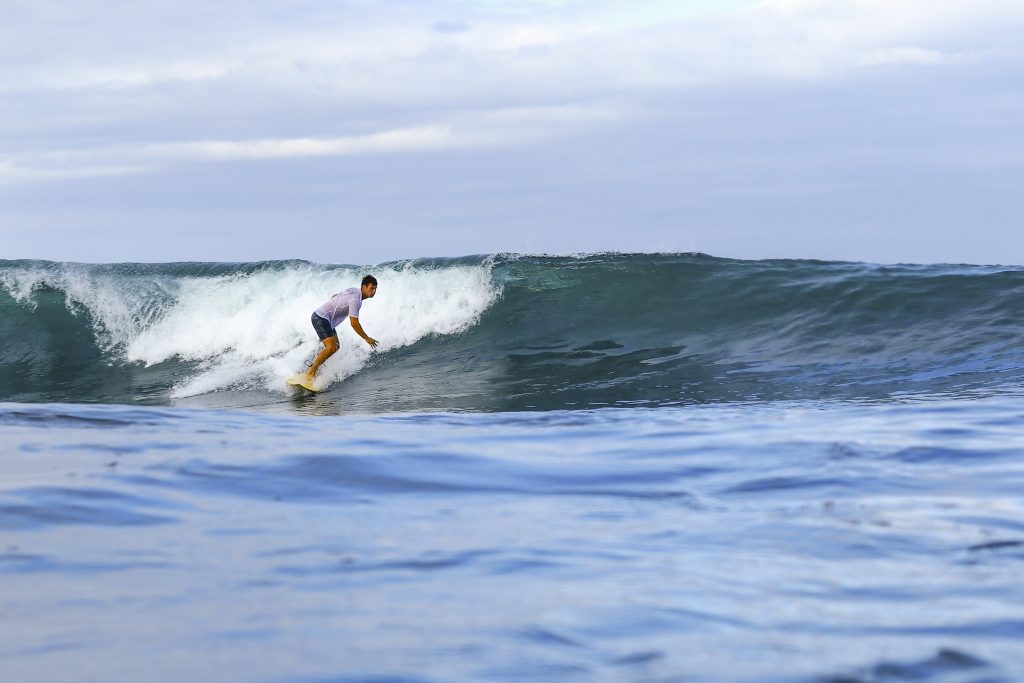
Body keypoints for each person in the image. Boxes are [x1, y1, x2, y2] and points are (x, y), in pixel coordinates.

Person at [303, 275, 378, 382]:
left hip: (327, 319)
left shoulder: (354, 290)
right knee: (331, 347)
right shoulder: (356, 300)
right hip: (320, 317)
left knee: (336, 346)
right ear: (364, 287)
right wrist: (367, 338)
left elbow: (335, 296)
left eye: (375, 289)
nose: (374, 291)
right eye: (372, 288)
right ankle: (311, 371)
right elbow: (354, 323)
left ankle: (316, 366)